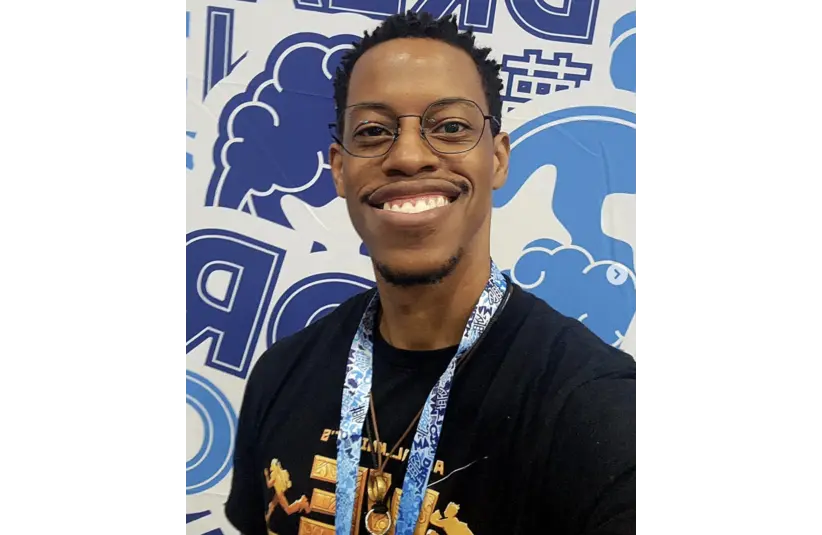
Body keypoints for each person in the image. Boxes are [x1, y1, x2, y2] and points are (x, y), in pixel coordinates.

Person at [225, 11, 639, 535]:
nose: (409, 156)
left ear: (498, 158)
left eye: (449, 127)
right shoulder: (281, 374)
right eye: (373, 131)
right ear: (339, 169)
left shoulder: (595, 407)